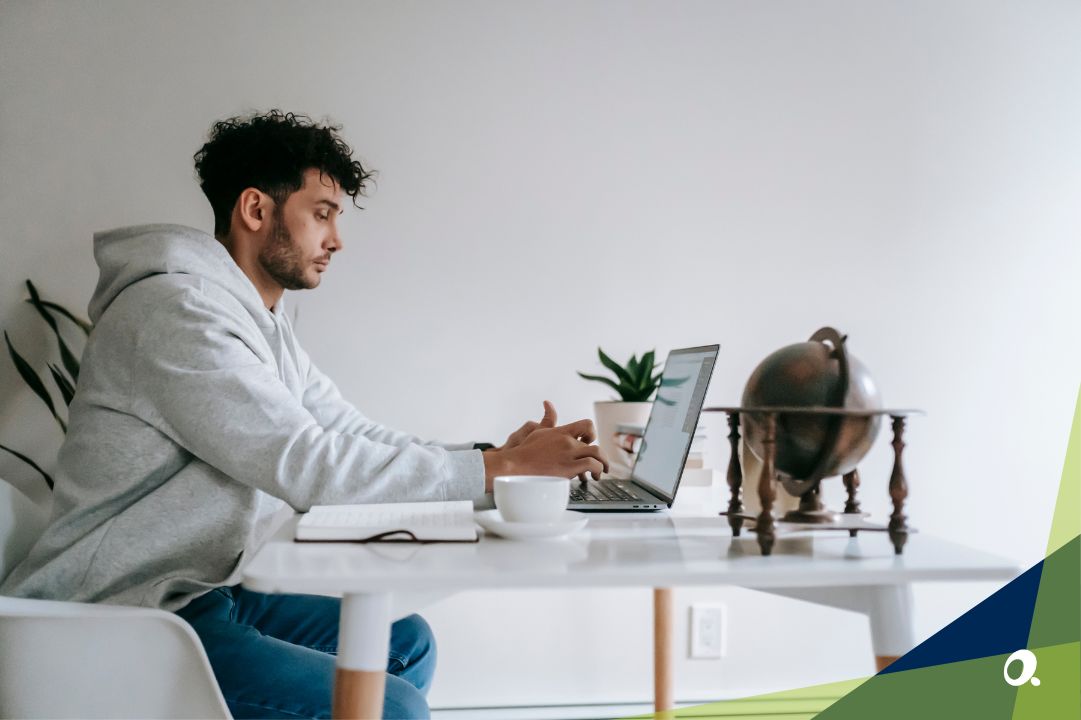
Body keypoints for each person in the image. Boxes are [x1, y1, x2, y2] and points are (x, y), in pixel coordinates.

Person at [1, 110, 608, 719]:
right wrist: (498, 469)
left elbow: (348, 432)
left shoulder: (259, 322)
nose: (337, 239)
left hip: (205, 590)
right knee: (391, 707)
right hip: (124, 613)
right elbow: (307, 464)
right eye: (322, 213)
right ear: (256, 210)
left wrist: (491, 460)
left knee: (406, 643)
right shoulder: (179, 313)